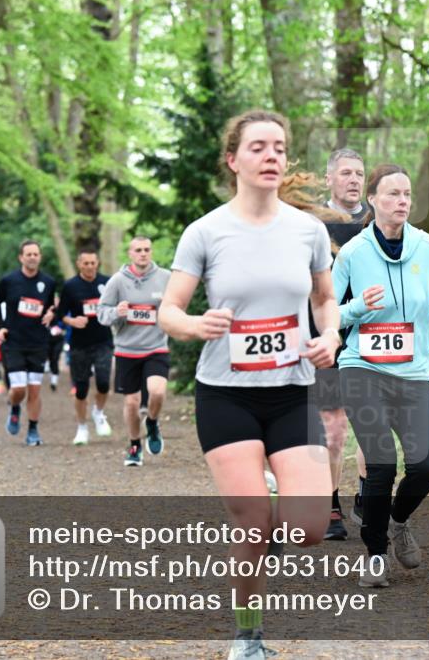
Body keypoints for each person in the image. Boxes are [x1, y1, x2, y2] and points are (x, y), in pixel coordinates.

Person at [157, 109, 339, 660]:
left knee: (307, 530)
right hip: (226, 394)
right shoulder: (206, 232)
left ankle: (273, 500)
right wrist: (195, 325)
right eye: (259, 147)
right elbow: (169, 309)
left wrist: (330, 336)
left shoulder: (308, 231)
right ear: (233, 160)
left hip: (290, 392)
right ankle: (248, 636)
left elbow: (324, 298)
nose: (272, 157)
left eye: (279, 148)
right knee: (254, 522)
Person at [332, 163, 429, 588]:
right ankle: (374, 555)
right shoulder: (352, 254)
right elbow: (326, 316)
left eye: (407, 194)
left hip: (413, 371)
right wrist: (357, 309)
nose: (402, 202)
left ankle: (397, 520)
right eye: (392, 194)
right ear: (372, 200)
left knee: (426, 467)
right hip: (362, 368)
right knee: (380, 464)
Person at [312, 148, 372, 540]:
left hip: (373, 335)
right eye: (346, 173)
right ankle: (330, 506)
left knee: (371, 424)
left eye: (360, 174)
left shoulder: (377, 219)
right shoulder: (312, 223)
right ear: (330, 178)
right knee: (334, 430)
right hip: (328, 334)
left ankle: (368, 498)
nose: (354, 180)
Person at [98, 236, 171, 466]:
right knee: (131, 403)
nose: (143, 253)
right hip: (127, 350)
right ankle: (134, 445)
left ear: (151, 252)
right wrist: (116, 313)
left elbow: (176, 305)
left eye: (147, 249)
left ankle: (151, 421)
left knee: (157, 392)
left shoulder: (165, 278)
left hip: (156, 347)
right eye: (138, 250)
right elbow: (102, 313)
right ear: (130, 253)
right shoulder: (118, 281)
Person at [0, 240, 58, 446]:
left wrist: (51, 314)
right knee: (19, 389)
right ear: (21, 257)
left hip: (38, 342)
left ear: (40, 257)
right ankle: (14, 407)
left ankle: (33, 430)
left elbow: (50, 308)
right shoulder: (8, 280)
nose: (32, 257)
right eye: (28, 254)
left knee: (35, 390)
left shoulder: (48, 282)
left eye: (36, 254)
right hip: (14, 342)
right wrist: (0, 326)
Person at [56, 249, 114, 446]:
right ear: (79, 264)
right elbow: (60, 314)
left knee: (104, 382)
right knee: (81, 389)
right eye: (85, 263)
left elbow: (115, 307)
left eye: (93, 263)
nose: (90, 267)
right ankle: (81, 427)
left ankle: (98, 413)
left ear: (98, 263)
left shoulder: (107, 282)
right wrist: (72, 321)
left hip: (103, 341)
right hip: (79, 345)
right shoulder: (71, 286)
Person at [45, 309, 65, 392]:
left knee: (55, 358)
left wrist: (62, 330)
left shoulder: (61, 311)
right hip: (47, 340)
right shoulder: (45, 310)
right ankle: (52, 376)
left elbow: (66, 325)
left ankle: (54, 382)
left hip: (59, 340)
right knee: (50, 358)